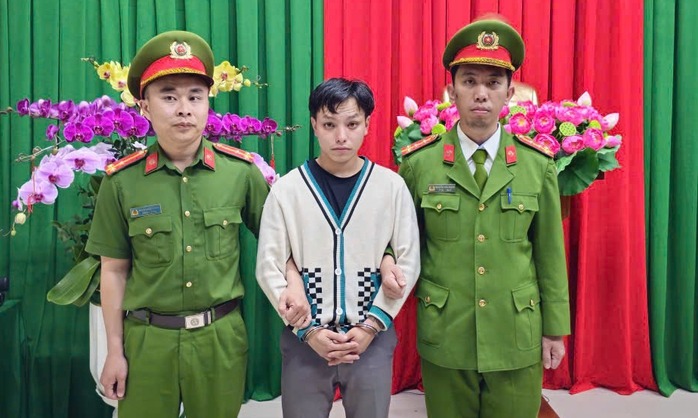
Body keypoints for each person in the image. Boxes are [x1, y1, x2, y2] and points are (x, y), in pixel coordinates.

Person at [85, 30, 271, 417]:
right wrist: (114, 351)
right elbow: (113, 270)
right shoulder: (121, 182)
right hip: (147, 342)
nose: (184, 109)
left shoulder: (240, 173)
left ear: (208, 103)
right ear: (144, 107)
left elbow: (279, 246)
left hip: (219, 339)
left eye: (195, 96)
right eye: (168, 97)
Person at [398, 17, 571, 418]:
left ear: (509, 93)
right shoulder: (420, 165)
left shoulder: (536, 165)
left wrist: (554, 329)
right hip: (447, 332)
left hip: (514, 332)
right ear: (451, 91)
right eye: (469, 81)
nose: (481, 93)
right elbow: (402, 249)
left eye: (493, 83)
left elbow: (549, 253)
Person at [255, 78, 420, 418]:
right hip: (305, 341)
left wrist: (370, 326)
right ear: (314, 125)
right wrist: (308, 331)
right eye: (329, 125)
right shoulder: (287, 190)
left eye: (352, 124)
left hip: (371, 341)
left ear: (368, 125)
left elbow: (409, 260)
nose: (341, 136)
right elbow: (269, 264)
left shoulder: (391, 187)